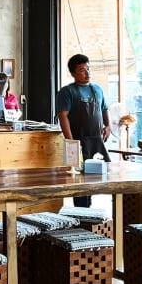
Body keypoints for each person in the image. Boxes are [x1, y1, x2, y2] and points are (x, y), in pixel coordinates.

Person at [56, 54, 111, 207]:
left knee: (100, 177)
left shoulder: (97, 89)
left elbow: (105, 109)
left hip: (96, 140)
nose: (87, 73)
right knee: (79, 182)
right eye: (82, 70)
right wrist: (71, 142)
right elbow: (63, 116)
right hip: (77, 142)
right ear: (73, 73)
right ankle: (81, 214)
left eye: (88, 69)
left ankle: (92, 214)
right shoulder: (67, 92)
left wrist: (108, 126)